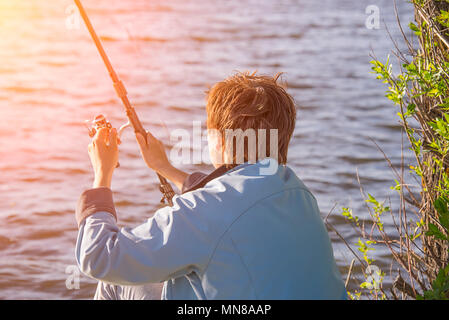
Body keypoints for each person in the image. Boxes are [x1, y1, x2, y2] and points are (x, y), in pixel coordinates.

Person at [75, 72, 347, 300]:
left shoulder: (202, 211)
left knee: (114, 281)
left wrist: (102, 174)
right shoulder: (297, 191)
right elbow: (231, 204)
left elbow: (98, 256)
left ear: (219, 140)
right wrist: (165, 168)